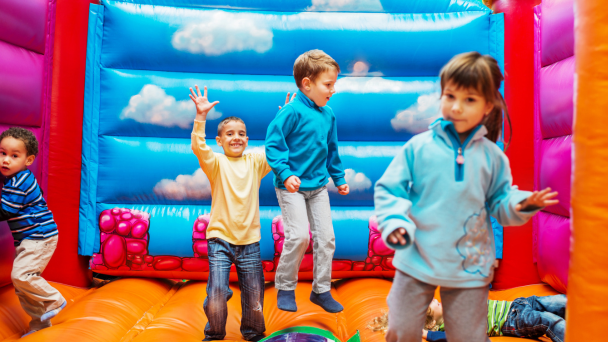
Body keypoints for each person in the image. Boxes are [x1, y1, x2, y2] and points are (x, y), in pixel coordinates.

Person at [373, 51, 559, 342]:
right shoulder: (419, 148)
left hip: (469, 263)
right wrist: (395, 221)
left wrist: (522, 204)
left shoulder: (492, 158)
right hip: (417, 256)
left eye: (469, 100)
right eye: (450, 96)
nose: (456, 107)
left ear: (487, 106)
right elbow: (390, 188)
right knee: (401, 329)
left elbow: (500, 202)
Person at [265, 49, 349, 313]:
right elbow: (273, 144)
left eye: (334, 84)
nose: (332, 90)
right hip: (293, 188)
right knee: (299, 236)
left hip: (319, 187)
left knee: (327, 239)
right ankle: (285, 286)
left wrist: (339, 177)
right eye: (328, 84)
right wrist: (285, 173)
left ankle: (321, 290)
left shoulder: (328, 114)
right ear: (307, 83)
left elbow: (331, 148)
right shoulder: (291, 112)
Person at [189, 85, 271, 341]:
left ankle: (253, 332)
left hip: (250, 243)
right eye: (230, 133)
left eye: (242, 134)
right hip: (219, 241)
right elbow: (198, 147)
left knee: (254, 295)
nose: (236, 137)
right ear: (220, 140)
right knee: (216, 293)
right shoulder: (216, 163)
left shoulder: (256, 162)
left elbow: (279, 149)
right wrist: (201, 116)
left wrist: (287, 119)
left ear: (247, 140)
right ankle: (214, 334)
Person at [0, 127, 66, 337]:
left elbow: (5, 210)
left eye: (14, 156)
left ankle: (54, 299)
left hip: (39, 237)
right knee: (23, 287)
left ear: (28, 160)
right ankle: (39, 326)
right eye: (2, 153)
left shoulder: (19, 182)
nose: (6, 160)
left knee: (21, 276)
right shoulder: (17, 179)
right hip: (29, 238)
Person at [422, 295, 567, 342]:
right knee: (547, 321)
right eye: (431, 303)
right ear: (433, 323)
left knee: (561, 301)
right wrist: (426, 334)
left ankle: (587, 312)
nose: (434, 299)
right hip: (512, 320)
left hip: (517, 303)